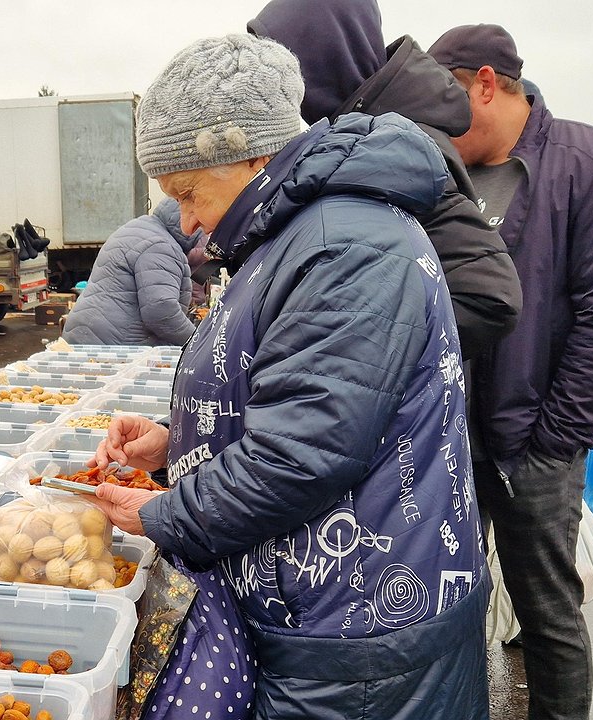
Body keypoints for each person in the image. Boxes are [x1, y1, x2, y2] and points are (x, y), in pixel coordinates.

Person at [88, 34, 488, 719]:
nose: (186, 221)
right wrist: (173, 442)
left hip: (360, 634)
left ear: (251, 153)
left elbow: (304, 453)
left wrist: (164, 514)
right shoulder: (299, 231)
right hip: (325, 616)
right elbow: (290, 398)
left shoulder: (343, 246)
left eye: (188, 192)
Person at [427, 25, 593, 719]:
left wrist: (554, 441)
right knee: (447, 607)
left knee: (547, 616)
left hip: (533, 444)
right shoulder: (446, 178)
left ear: (486, 84)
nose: (435, 130)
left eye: (446, 108)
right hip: (451, 445)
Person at [246, 0, 521, 360]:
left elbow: (488, 297)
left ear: (324, 57)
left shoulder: (399, 144)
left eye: (282, 63)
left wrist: (348, 351)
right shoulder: (362, 136)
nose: (275, 86)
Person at [62, 198, 199, 346]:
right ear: (192, 221)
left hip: (90, 334)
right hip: (111, 345)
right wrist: (199, 343)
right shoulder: (161, 246)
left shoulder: (142, 228)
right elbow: (161, 312)